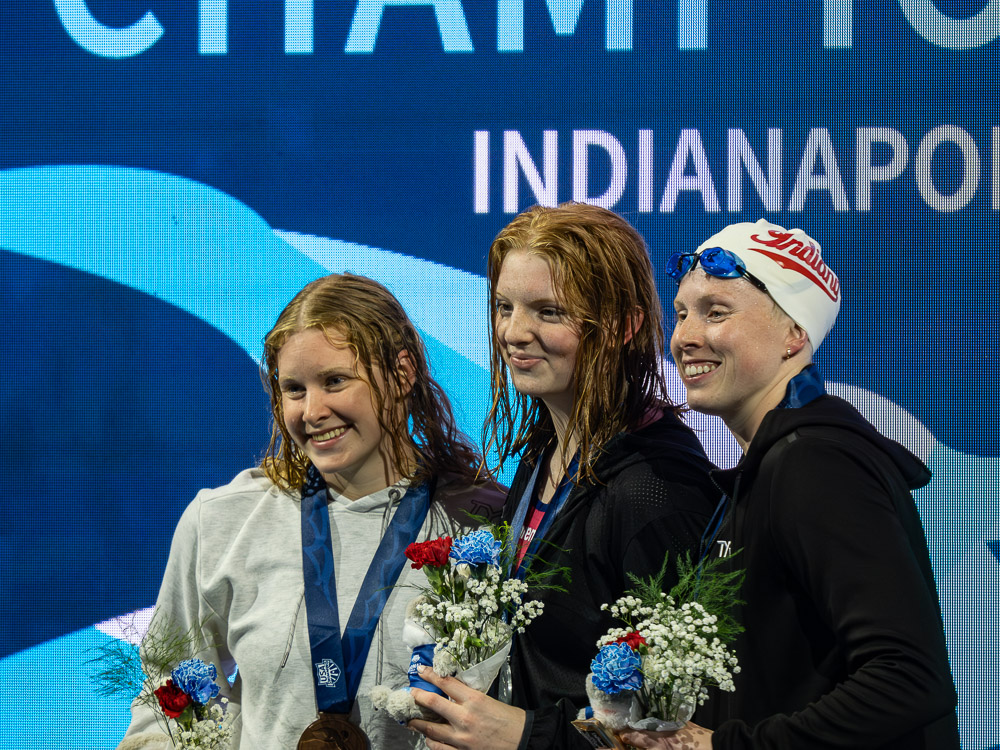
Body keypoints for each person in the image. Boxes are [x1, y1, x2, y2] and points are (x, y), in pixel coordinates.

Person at [118, 274, 504, 749]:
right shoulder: (223, 520)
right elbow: (167, 703)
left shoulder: (483, 525)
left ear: (402, 374)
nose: (311, 411)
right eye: (294, 389)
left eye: (335, 381)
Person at [620, 219, 959, 750]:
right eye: (682, 313)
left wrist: (723, 747)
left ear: (795, 334)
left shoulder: (816, 463)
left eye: (716, 312)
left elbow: (909, 678)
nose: (684, 337)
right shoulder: (771, 464)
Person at [408, 202, 717, 750]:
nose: (513, 332)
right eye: (504, 306)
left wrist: (524, 736)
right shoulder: (544, 451)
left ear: (623, 325)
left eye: (548, 312)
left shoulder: (654, 489)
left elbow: (675, 732)